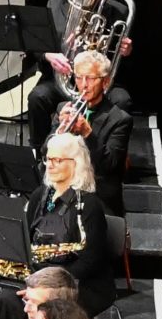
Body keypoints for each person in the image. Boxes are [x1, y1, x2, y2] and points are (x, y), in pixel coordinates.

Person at [32, 132, 116, 309]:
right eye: (48, 159)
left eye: (57, 160)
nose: (50, 165)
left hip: (79, 282)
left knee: (46, 306)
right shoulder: (39, 196)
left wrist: (52, 282)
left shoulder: (90, 205)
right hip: (39, 276)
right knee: (8, 300)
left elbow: (90, 261)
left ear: (76, 163)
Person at [48, 50, 135, 213]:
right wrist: (59, 130)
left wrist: (88, 134)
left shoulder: (120, 119)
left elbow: (109, 166)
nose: (84, 85)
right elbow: (45, 152)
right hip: (66, 192)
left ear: (105, 82)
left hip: (99, 198)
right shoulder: (64, 109)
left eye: (90, 78)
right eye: (79, 77)